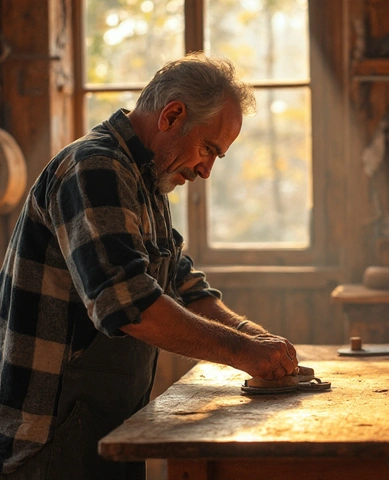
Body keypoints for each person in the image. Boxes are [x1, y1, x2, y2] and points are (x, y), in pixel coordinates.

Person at [0, 52, 299, 479]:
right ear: (172, 115)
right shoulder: (94, 167)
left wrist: (254, 335)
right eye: (208, 149)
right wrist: (244, 353)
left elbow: (184, 285)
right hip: (48, 439)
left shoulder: (145, 181)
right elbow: (129, 304)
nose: (206, 170)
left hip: (106, 426)